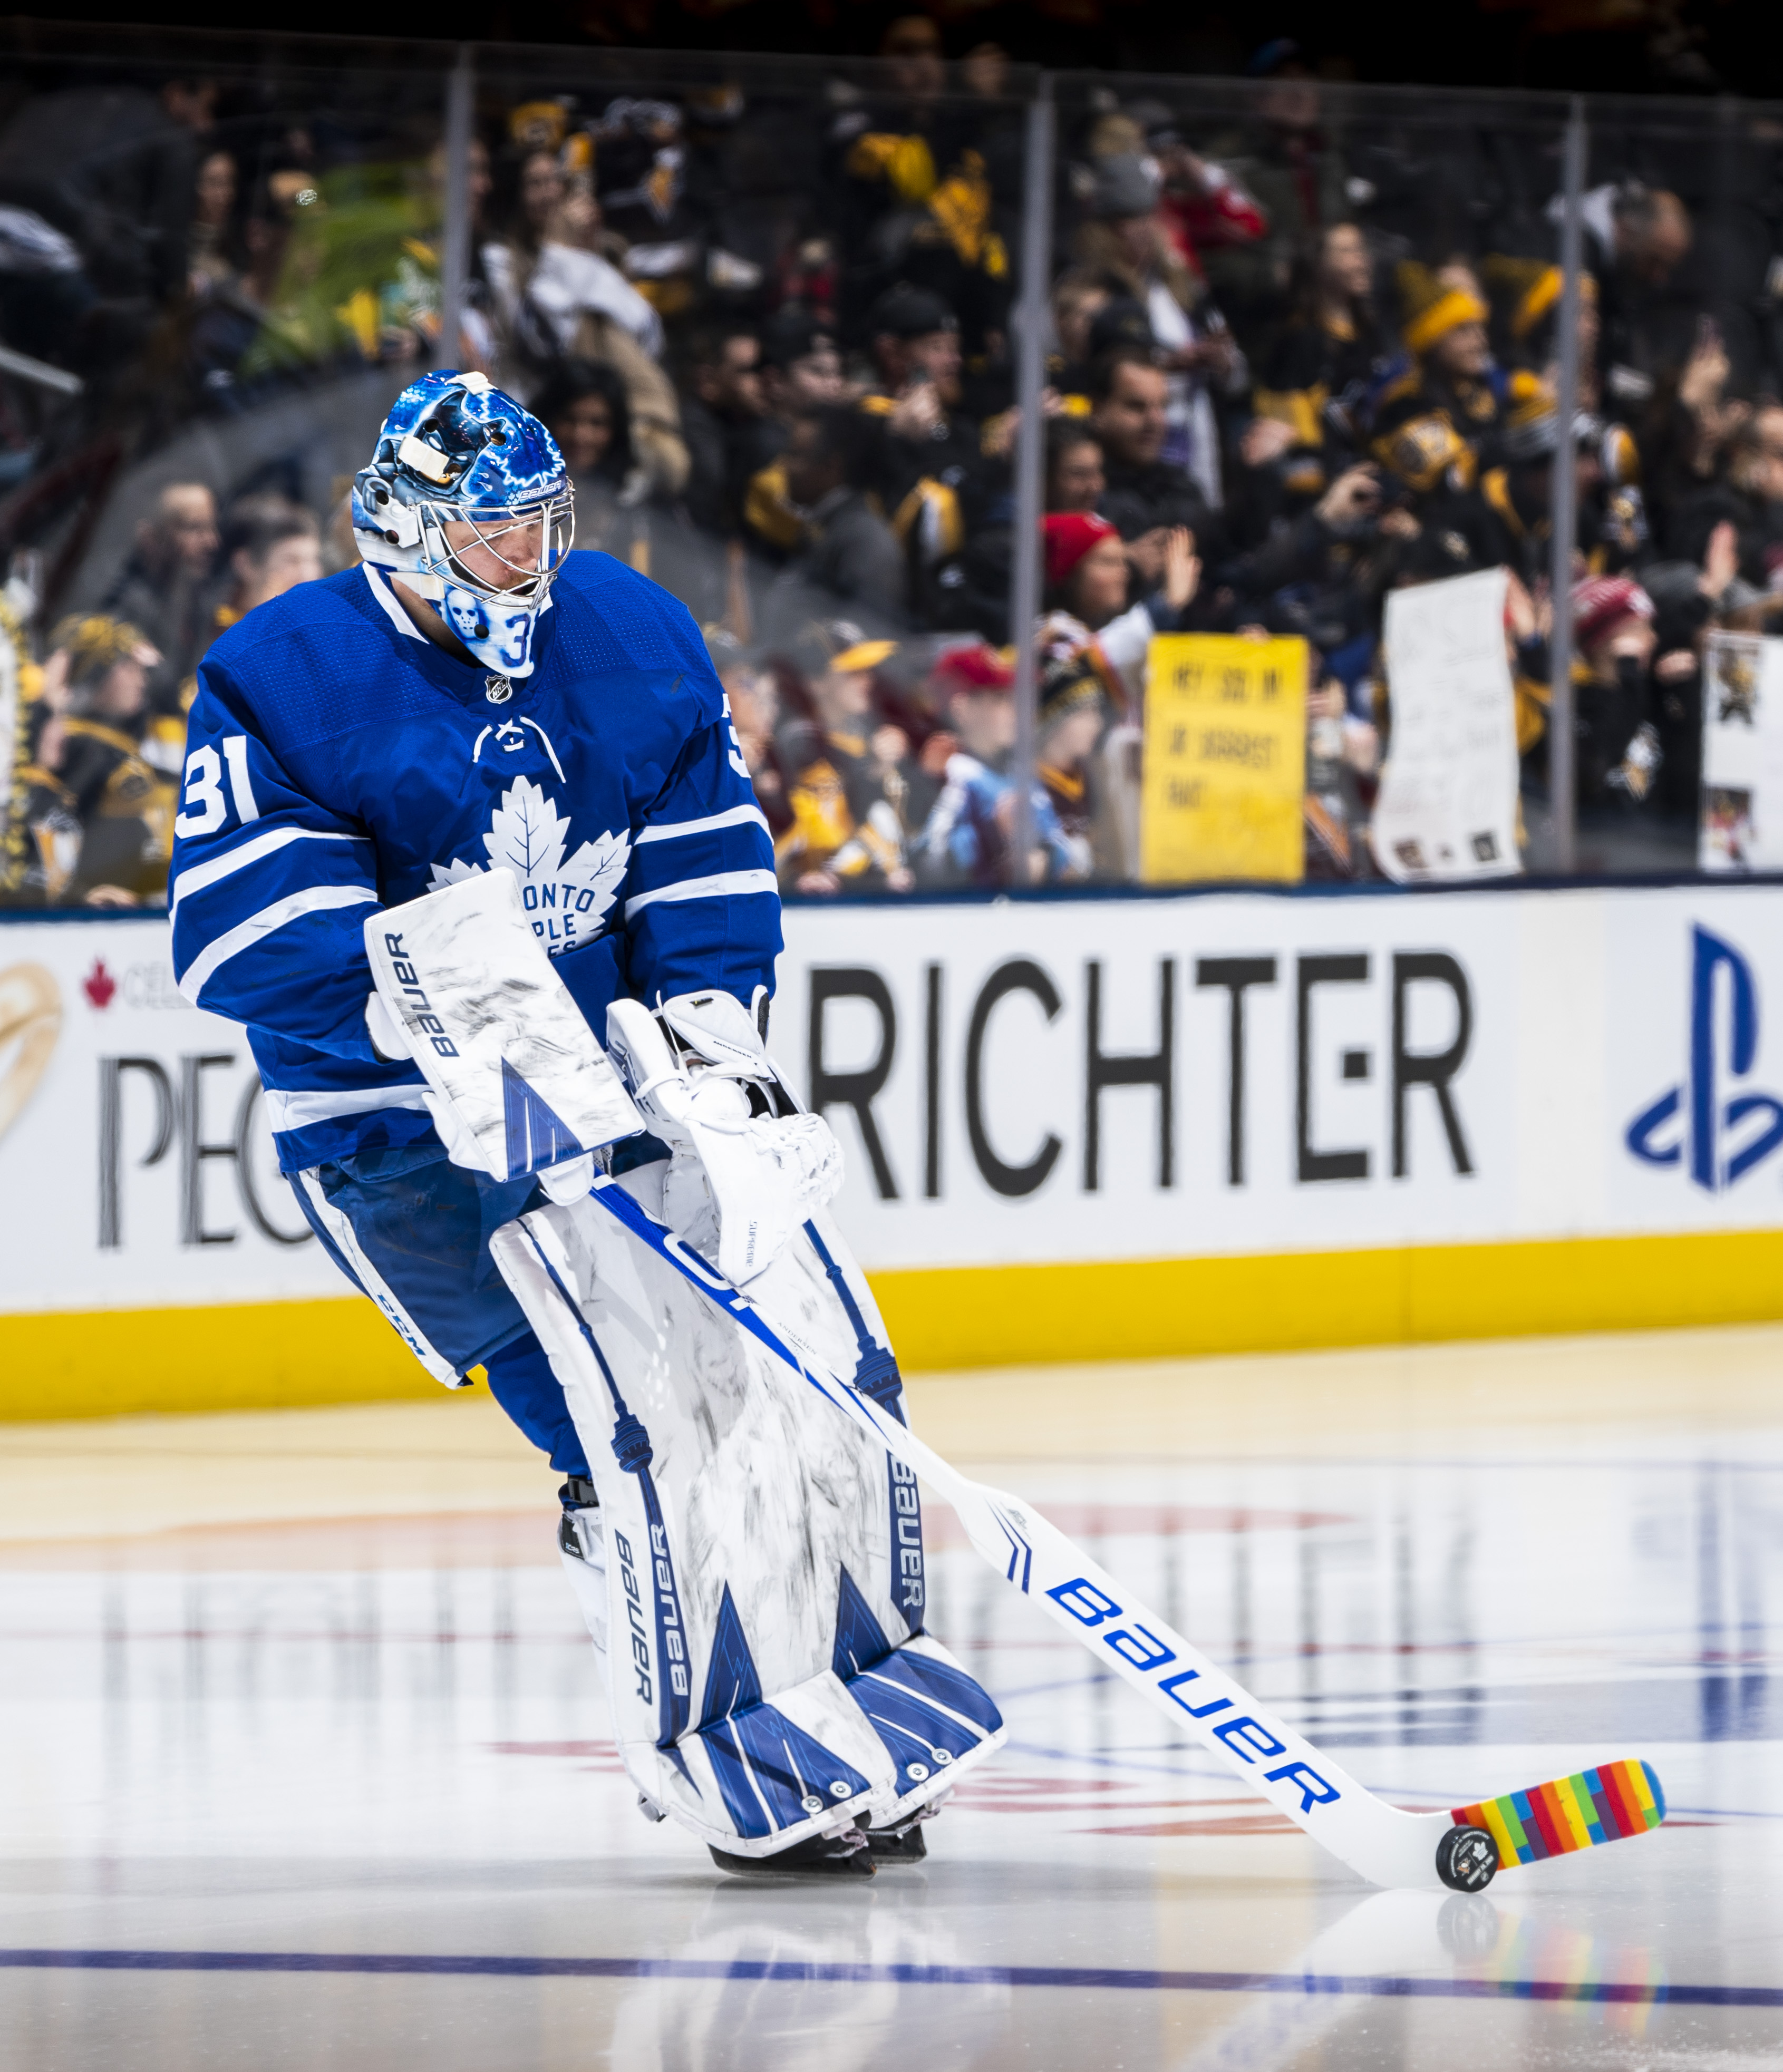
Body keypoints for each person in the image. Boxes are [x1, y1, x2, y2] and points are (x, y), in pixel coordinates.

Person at [167, 368, 980, 1875]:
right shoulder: (280, 672)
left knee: (804, 1395)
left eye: (544, 523)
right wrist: (451, 1027)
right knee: (628, 1431)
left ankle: (849, 1715)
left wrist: (709, 1046)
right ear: (407, 535)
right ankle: (722, 1756)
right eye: (492, 535)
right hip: (403, 1139)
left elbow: (704, 867)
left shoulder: (632, 628)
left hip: (619, 1098)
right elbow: (240, 946)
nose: (528, 560)